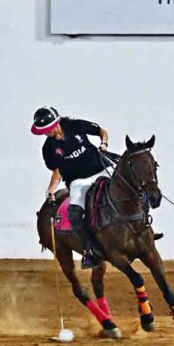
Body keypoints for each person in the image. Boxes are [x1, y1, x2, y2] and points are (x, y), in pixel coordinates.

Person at [31, 106, 109, 269]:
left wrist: (103, 144)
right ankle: (88, 251)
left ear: (56, 123)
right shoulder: (48, 149)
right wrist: (51, 190)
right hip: (77, 181)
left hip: (101, 169)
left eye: (48, 129)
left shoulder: (76, 126)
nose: (46, 133)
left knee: (130, 182)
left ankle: (142, 227)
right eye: (43, 131)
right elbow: (57, 172)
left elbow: (101, 131)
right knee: (75, 213)